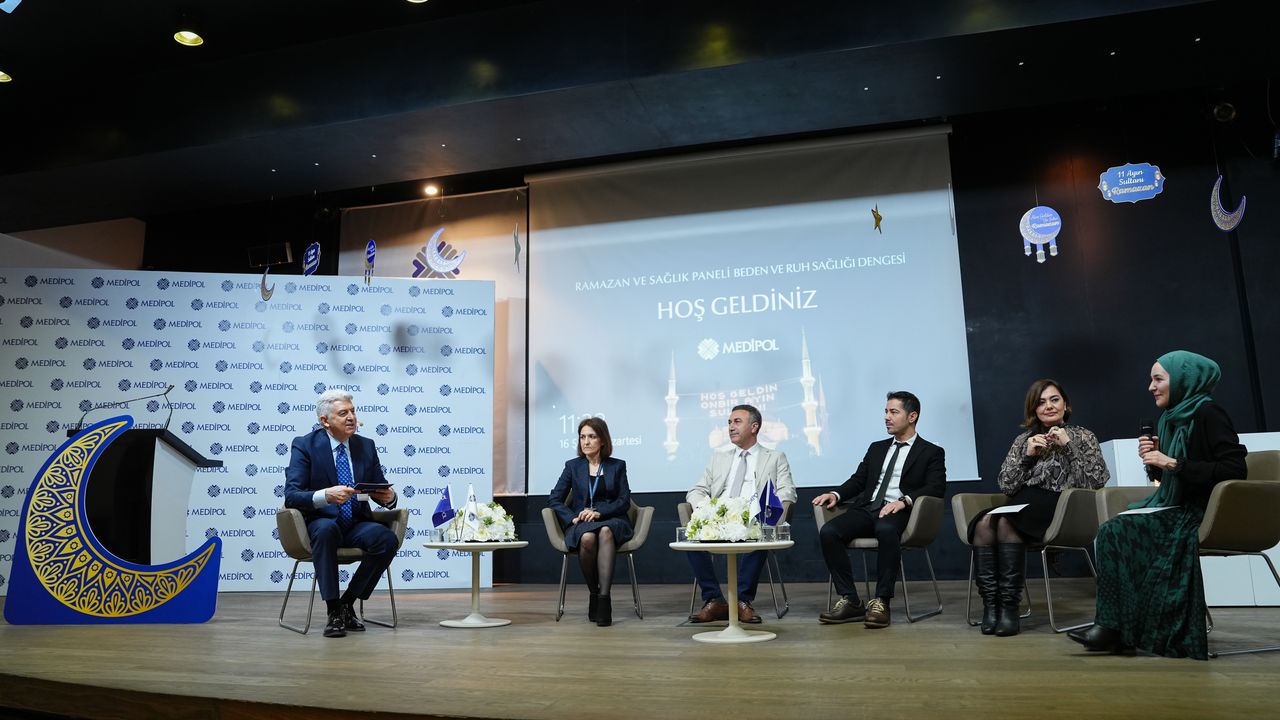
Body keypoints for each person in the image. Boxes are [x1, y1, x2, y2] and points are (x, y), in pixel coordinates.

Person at [1069, 351, 1247, 659]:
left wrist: (1172, 463)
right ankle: (1116, 627)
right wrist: (1154, 463)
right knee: (1113, 529)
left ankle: (1114, 629)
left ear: (1183, 380)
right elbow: (1169, 479)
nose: (1150, 387)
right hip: (1179, 505)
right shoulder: (1169, 419)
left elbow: (1234, 470)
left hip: (1206, 512)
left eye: (1158, 379)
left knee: (1116, 531)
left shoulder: (1209, 413)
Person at [969, 379, 1109, 637]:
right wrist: (1027, 456)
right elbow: (1006, 485)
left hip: (1063, 505)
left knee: (1006, 522)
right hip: (1023, 502)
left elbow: (1095, 481)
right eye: (1041, 402)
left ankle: (1009, 609)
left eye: (1054, 400)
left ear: (1065, 405)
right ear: (1034, 409)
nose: (1048, 406)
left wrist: (1068, 446)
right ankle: (992, 607)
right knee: (984, 523)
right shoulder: (1024, 439)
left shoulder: (1083, 436)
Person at [813, 391, 946, 628]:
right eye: (886, 411)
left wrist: (904, 501)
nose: (887, 417)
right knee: (829, 532)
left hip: (900, 511)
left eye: (893, 412)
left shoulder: (931, 452)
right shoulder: (877, 448)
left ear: (912, 416)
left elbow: (936, 487)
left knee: (886, 530)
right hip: (868, 508)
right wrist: (836, 494)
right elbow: (858, 480)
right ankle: (851, 600)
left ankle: (882, 601)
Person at [284, 389, 399, 638]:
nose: (351, 418)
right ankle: (333, 610)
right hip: (322, 522)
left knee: (387, 539)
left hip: (356, 523)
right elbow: (292, 495)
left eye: (353, 412)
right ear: (325, 421)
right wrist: (326, 495)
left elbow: (378, 488)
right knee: (326, 531)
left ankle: (348, 602)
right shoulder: (305, 445)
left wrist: (389, 498)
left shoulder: (365, 445)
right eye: (343, 413)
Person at [686, 404, 797, 624]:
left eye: (737, 422)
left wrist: (772, 509)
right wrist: (704, 510)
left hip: (754, 516)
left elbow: (787, 490)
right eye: (729, 422)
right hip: (719, 517)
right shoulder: (719, 457)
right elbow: (696, 490)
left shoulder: (774, 457)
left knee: (760, 529)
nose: (730, 427)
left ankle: (741, 600)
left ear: (754, 427)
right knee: (692, 534)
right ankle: (714, 600)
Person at [547, 417, 634, 627]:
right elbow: (554, 499)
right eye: (582, 437)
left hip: (612, 519)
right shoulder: (573, 466)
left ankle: (604, 599)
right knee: (587, 538)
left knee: (605, 532)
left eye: (592, 437)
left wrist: (599, 513)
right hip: (582, 521)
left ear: (602, 440)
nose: (586, 442)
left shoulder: (617, 466)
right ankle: (594, 593)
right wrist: (573, 517)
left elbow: (624, 501)